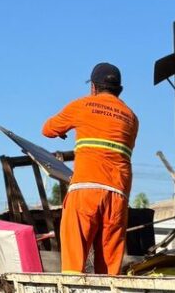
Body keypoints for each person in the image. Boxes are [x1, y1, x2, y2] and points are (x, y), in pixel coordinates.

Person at [43, 62, 139, 275]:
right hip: (118, 195)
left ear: (93, 88)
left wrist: (63, 130)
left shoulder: (83, 105)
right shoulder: (132, 118)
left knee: (74, 263)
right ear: (119, 90)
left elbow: (47, 129)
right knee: (109, 269)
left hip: (86, 190)